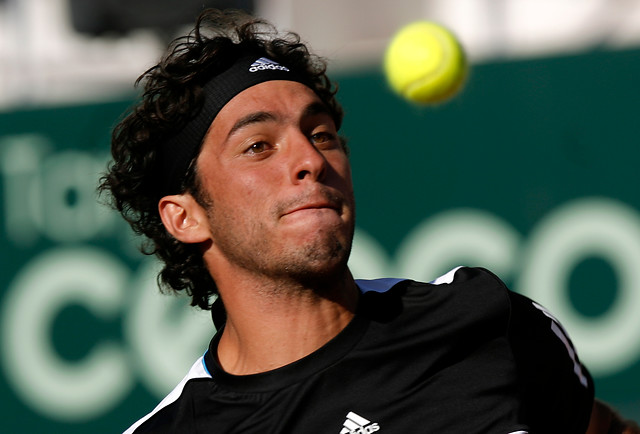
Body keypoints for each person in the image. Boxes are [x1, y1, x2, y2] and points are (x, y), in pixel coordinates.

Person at [100, 8, 640, 434]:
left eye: (321, 134)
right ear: (185, 217)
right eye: (258, 146)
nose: (310, 160)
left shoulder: (484, 318)